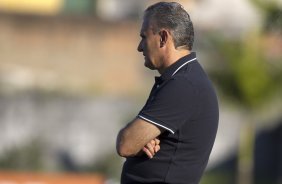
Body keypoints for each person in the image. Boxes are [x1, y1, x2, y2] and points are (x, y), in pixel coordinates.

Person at [116, 2, 219, 184]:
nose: (140, 47)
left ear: (163, 37)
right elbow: (134, 140)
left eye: (144, 37)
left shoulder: (184, 85)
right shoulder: (181, 79)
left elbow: (126, 144)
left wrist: (137, 139)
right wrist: (143, 139)